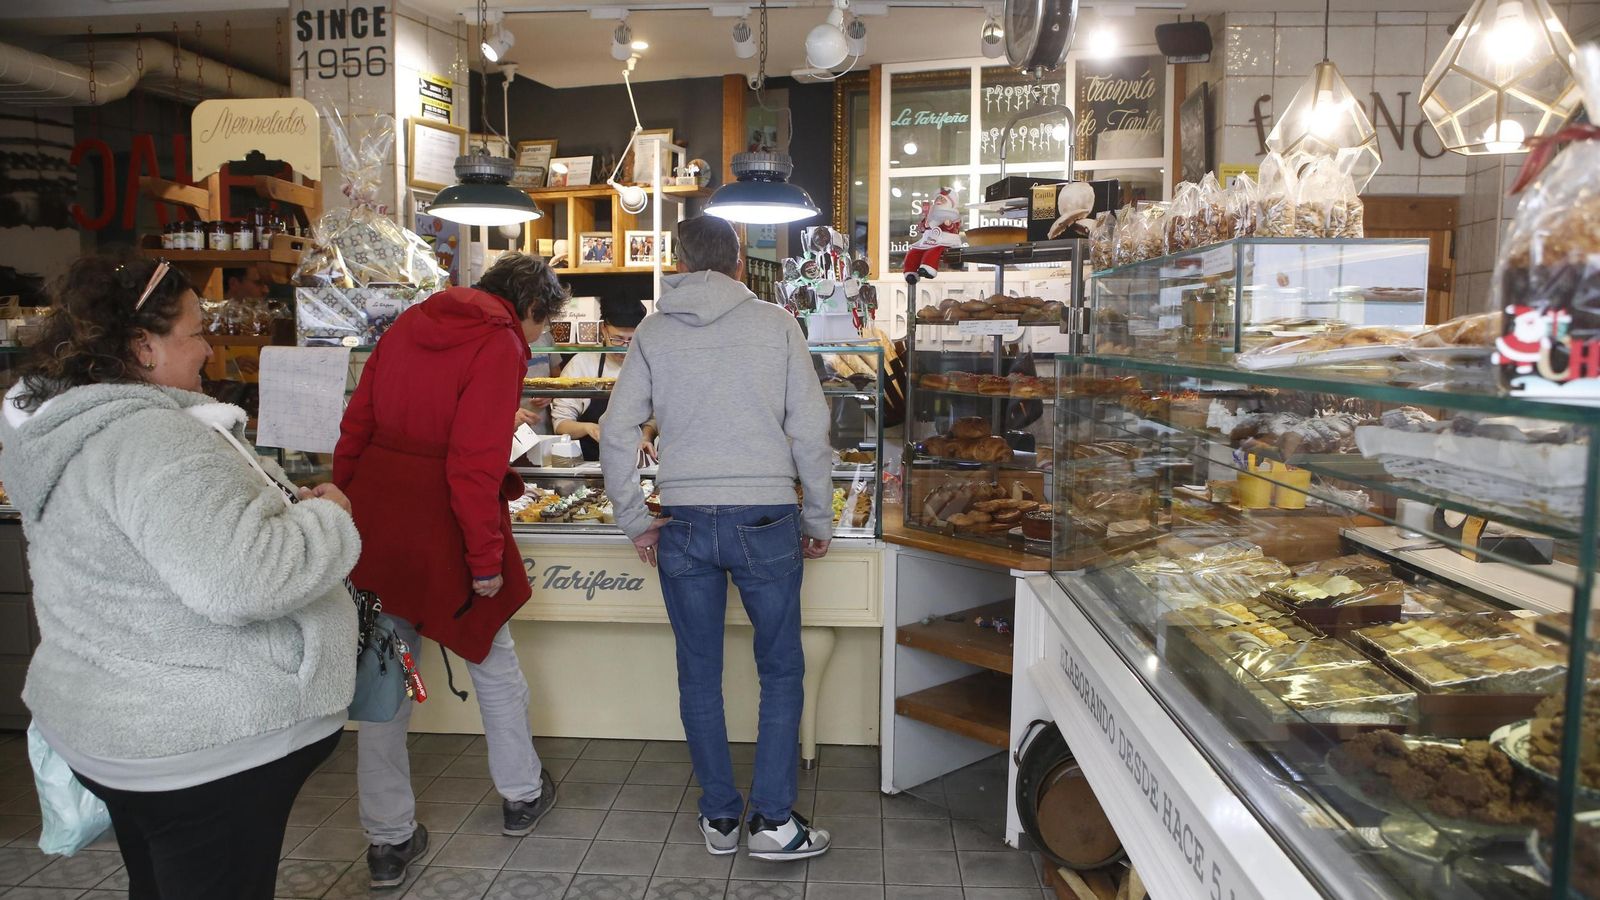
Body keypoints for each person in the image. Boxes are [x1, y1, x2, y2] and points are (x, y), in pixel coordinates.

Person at [0, 254, 361, 899]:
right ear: (143, 346)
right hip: (200, 747)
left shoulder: (71, 429)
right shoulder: (154, 440)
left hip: (114, 725)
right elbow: (245, 581)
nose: (208, 348)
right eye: (196, 332)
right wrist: (328, 519)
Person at [600, 216, 833, 861]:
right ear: (739, 265)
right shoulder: (777, 325)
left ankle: (722, 817)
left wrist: (634, 519)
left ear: (678, 262)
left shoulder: (653, 332)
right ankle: (774, 823)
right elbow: (810, 431)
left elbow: (616, 432)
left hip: (684, 520)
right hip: (767, 517)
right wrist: (818, 518)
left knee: (699, 673)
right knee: (780, 669)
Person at [333, 252, 569, 888]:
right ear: (530, 308)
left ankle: (388, 840)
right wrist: (484, 560)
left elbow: (355, 426)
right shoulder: (500, 343)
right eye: (542, 326)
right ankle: (521, 793)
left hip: (379, 520)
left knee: (384, 682)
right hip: (444, 522)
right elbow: (472, 463)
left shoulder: (407, 323)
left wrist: (344, 507)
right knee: (493, 662)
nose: (537, 339)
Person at [551, 295, 657, 462]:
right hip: (588, 463)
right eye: (617, 339)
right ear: (603, 330)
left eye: (631, 340)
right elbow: (560, 423)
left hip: (634, 460)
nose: (624, 347)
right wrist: (588, 428)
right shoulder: (582, 364)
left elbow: (654, 416)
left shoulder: (649, 365)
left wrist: (645, 437)